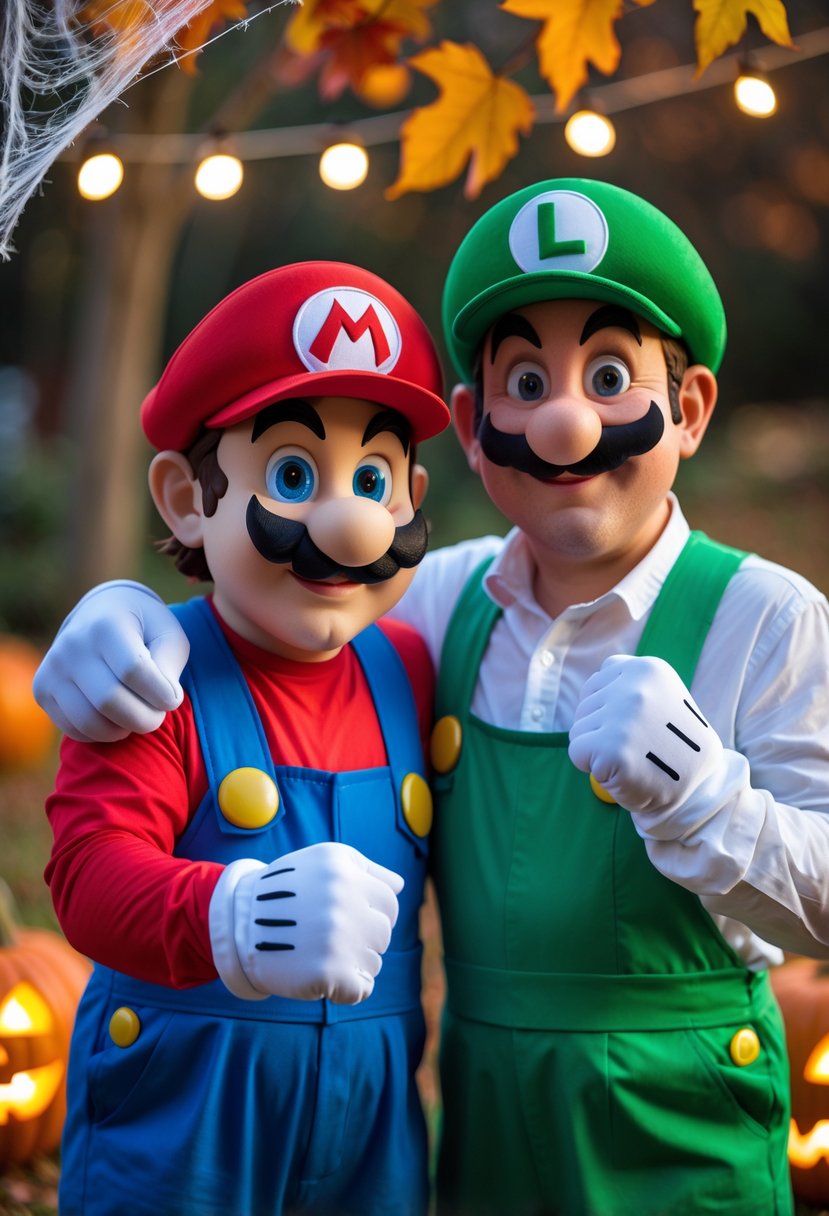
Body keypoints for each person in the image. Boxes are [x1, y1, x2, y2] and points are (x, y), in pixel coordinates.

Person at [35, 180, 829, 1215]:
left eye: (605, 375)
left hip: (680, 1128)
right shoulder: (437, 607)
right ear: (467, 424)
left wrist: (703, 797)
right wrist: (120, 607)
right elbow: (267, 627)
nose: (562, 424)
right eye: (526, 381)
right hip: (458, 1130)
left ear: (686, 409)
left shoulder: (767, 618)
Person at [40, 259, 450, 1216]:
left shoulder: (413, 665)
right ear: (187, 498)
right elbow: (87, 876)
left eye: (376, 478)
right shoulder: (152, 676)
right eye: (296, 475)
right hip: (187, 1121)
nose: (349, 527)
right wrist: (234, 916)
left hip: (372, 1117)